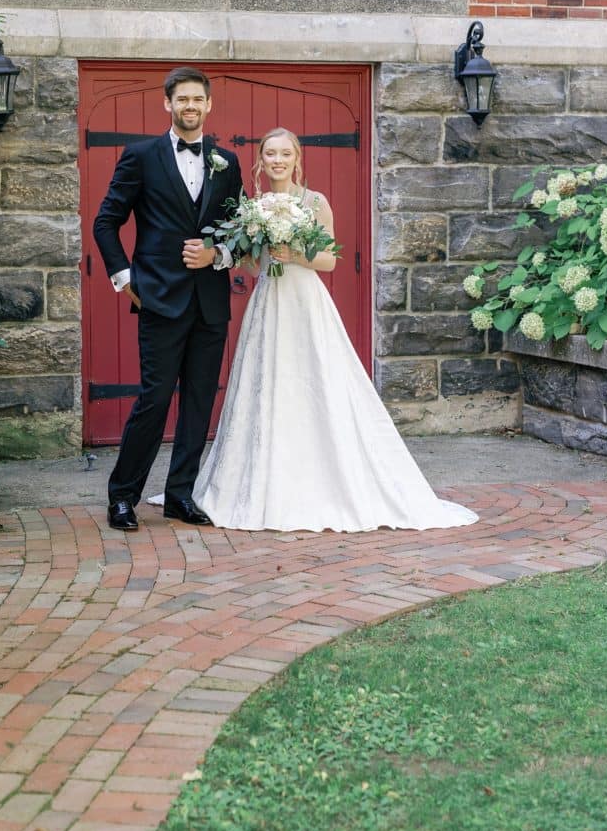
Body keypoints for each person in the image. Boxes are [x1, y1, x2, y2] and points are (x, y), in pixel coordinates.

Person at [193, 129, 478, 534]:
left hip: (306, 303)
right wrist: (261, 254)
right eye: (270, 153)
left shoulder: (315, 203)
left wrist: (294, 253)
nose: (278, 160)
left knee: (315, 382)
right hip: (269, 301)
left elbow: (329, 261)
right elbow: (251, 267)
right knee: (268, 383)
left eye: (285, 153)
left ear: (296, 159)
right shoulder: (251, 207)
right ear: (260, 159)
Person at [92, 66, 243, 532]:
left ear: (209, 105)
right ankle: (122, 497)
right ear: (168, 104)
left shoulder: (228, 161)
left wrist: (217, 254)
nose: (190, 107)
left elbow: (241, 230)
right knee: (154, 401)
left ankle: (180, 495)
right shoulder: (140, 156)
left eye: (198, 99)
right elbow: (106, 222)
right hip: (158, 299)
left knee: (199, 402)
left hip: (210, 302)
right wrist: (125, 279)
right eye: (182, 100)